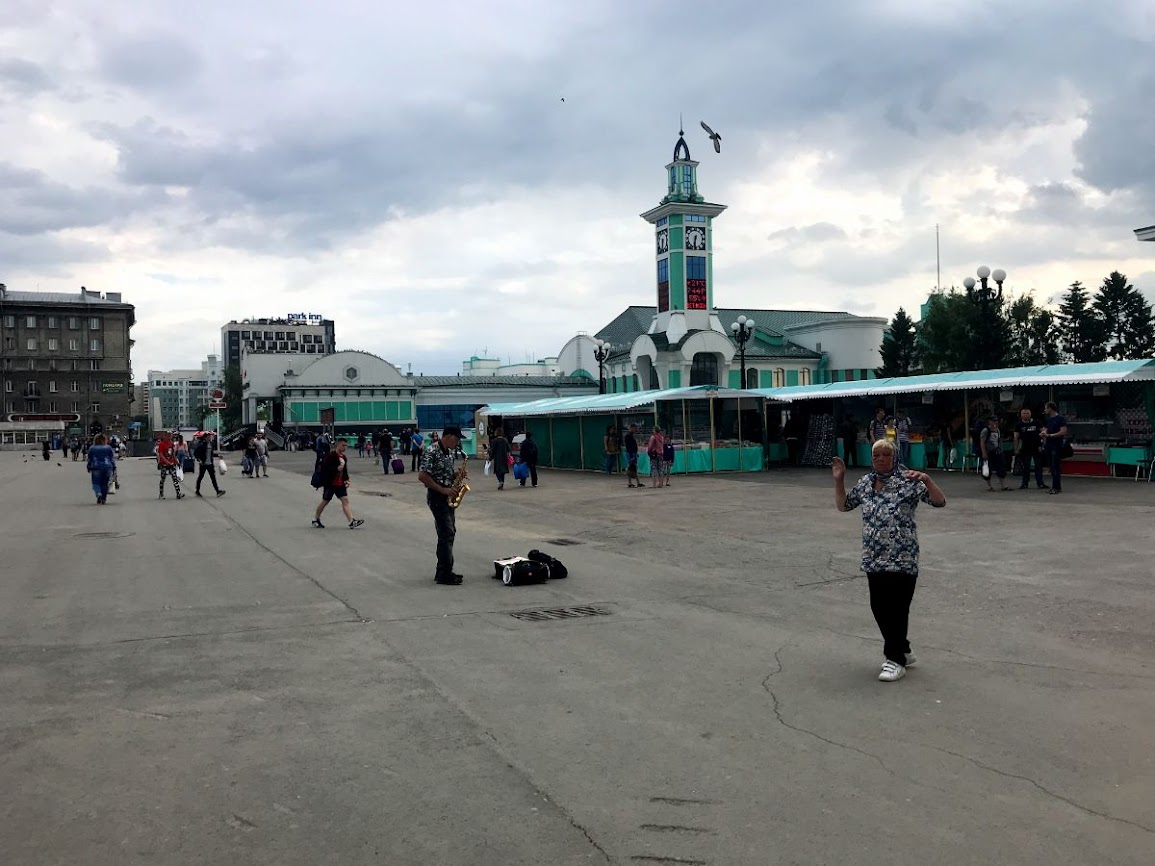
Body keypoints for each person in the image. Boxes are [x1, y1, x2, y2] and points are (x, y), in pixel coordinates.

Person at [833, 438, 946, 682]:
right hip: (874, 556)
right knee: (879, 607)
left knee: (897, 608)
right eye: (876, 456)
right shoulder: (865, 483)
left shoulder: (909, 480)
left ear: (895, 458)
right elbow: (844, 506)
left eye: (886, 455)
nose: (881, 459)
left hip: (903, 556)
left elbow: (939, 501)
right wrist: (840, 480)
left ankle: (895, 660)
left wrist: (927, 479)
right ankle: (902, 648)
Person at [418, 425, 465, 585]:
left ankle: (444, 571)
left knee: (449, 532)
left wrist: (456, 475)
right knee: (446, 533)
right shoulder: (432, 451)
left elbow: (445, 474)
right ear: (449, 436)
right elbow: (423, 476)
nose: (458, 443)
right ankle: (444, 573)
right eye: (457, 439)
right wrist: (443, 490)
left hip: (447, 497)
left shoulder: (450, 453)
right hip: (437, 497)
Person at [311, 439, 364, 529]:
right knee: (325, 501)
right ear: (338, 445)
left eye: (346, 445)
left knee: (345, 501)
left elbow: (345, 470)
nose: (345, 447)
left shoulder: (344, 457)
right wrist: (336, 469)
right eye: (343, 445)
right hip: (330, 484)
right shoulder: (330, 456)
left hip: (340, 484)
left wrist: (346, 479)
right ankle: (315, 519)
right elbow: (325, 468)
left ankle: (351, 521)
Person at [1013, 407, 1047, 490]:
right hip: (1025, 448)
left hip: (1037, 447)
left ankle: (1040, 483)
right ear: (1021, 415)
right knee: (1026, 467)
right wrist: (1016, 449)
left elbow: (1044, 433)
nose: (1025, 415)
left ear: (1030, 414)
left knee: (1038, 466)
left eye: (1027, 413)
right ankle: (1024, 484)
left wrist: (1043, 446)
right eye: (1024, 413)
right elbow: (1016, 437)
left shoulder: (1037, 423)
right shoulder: (1019, 425)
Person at [1041, 401, 1067, 495]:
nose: (1045, 410)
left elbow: (1063, 431)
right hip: (1049, 445)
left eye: (1046, 408)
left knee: (1055, 466)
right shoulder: (1048, 419)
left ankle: (1057, 487)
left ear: (1050, 408)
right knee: (1051, 466)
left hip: (1056, 445)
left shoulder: (1060, 418)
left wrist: (1051, 435)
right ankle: (1054, 486)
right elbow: (1046, 429)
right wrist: (1044, 434)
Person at [980, 416, 1011, 491]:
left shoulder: (997, 430)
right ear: (989, 421)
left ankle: (1003, 485)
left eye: (996, 421)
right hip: (988, 452)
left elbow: (998, 440)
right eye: (993, 421)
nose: (995, 422)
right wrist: (984, 453)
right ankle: (989, 486)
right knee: (987, 470)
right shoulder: (985, 430)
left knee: (1001, 468)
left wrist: (1000, 450)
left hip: (997, 451)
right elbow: (982, 442)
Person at [86, 433, 116, 505]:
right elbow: (112, 458)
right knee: (105, 484)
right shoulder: (108, 448)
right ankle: (104, 498)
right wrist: (114, 467)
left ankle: (98, 494)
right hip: (107, 466)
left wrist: (88, 466)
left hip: (96, 467)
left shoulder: (92, 448)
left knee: (96, 483)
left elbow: (89, 459)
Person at [193, 432, 226, 498]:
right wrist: (199, 460)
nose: (210, 438)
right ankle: (197, 491)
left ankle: (217, 491)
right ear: (205, 438)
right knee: (200, 477)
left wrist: (218, 455)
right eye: (208, 437)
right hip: (203, 464)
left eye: (210, 437)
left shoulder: (211, 444)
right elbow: (195, 453)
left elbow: (211, 454)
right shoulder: (201, 445)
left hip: (210, 464)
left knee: (213, 478)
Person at [156, 435, 184, 500]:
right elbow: (161, 454)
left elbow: (173, 454)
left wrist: (176, 462)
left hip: (172, 463)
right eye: (168, 436)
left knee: (175, 478)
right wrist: (167, 462)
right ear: (165, 436)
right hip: (164, 464)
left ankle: (178, 493)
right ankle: (161, 493)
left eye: (170, 436)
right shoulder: (161, 444)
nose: (170, 437)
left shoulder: (171, 443)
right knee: (163, 478)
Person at [489, 426, 511, 491]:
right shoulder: (505, 440)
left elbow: (493, 450)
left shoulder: (494, 441)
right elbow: (508, 449)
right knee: (503, 471)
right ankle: (502, 483)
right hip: (504, 457)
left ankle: (500, 481)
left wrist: (490, 457)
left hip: (497, 458)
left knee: (497, 471)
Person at [623, 423, 641, 489]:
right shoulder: (628, 436)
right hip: (631, 453)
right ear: (631, 428)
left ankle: (636, 482)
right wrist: (633, 455)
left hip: (632, 453)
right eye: (635, 428)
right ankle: (631, 482)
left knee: (633, 467)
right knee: (631, 467)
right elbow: (630, 446)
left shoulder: (631, 435)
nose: (636, 429)